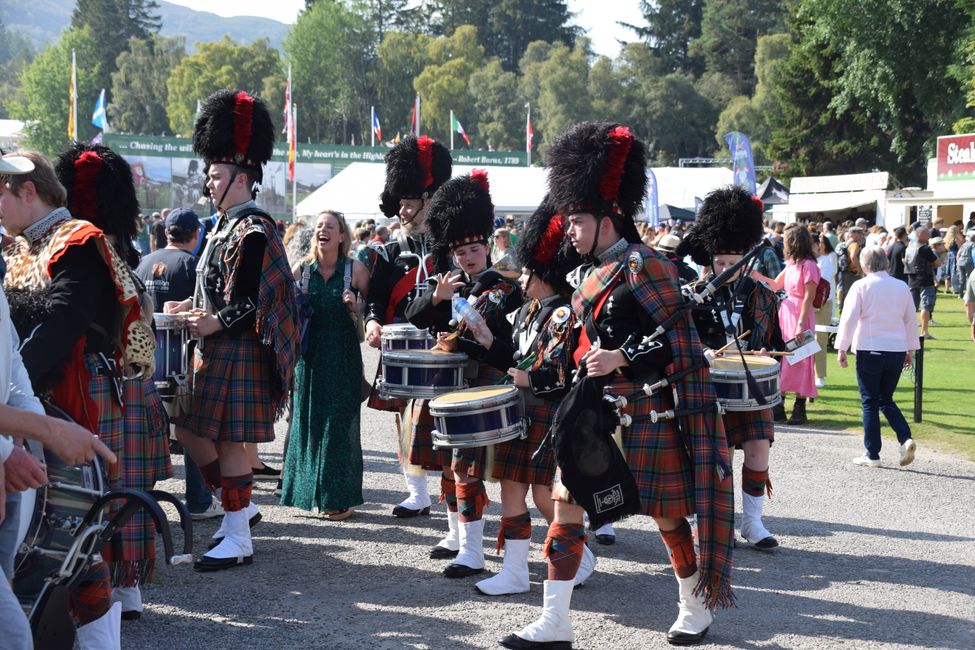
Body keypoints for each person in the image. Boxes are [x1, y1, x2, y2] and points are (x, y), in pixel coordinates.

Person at [501, 123, 734, 649]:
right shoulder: (588, 273)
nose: (571, 232)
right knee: (566, 508)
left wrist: (622, 356)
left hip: (646, 413)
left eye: (579, 222)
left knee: (668, 517)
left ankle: (694, 607)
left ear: (608, 221)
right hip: (593, 412)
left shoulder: (644, 264)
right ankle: (556, 621)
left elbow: (682, 345)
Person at [1, 149, 155, 646]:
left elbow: (62, 322)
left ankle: (99, 639)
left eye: (0, 194)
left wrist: (17, 392)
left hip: (73, 393)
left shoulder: (78, 240)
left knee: (80, 521)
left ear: (29, 190)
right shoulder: (23, 245)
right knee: (67, 528)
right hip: (34, 397)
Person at [165, 89, 299, 572]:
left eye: (216, 175)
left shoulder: (254, 229)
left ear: (241, 179)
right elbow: (222, 291)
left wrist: (213, 319)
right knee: (190, 430)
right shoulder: (224, 225)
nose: (208, 181)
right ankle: (239, 509)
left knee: (222, 441)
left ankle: (239, 533)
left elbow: (251, 303)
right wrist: (193, 306)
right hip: (216, 347)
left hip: (237, 348)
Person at [54, 142, 175, 621]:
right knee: (118, 480)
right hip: (118, 376)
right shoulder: (116, 249)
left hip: (102, 375)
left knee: (102, 482)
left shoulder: (81, 248)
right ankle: (122, 589)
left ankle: (110, 589)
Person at [467, 197, 595, 595]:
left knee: (543, 497)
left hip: (544, 411)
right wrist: (488, 342)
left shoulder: (561, 314)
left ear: (544, 274)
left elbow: (559, 375)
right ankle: (516, 572)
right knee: (510, 487)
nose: (520, 280)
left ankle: (581, 556)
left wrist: (529, 380)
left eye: (527, 272)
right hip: (521, 410)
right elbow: (517, 361)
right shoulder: (528, 310)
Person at [405, 170, 523, 579]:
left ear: (487, 246)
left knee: (479, 472)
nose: (467, 257)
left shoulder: (510, 290)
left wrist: (477, 340)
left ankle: (474, 550)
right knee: (452, 464)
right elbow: (412, 315)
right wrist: (436, 298)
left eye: (474, 248)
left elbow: (513, 351)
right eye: (460, 252)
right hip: (455, 387)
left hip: (491, 385)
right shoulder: (453, 287)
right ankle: (462, 540)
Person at [678, 186, 784, 550]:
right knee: (708, 455)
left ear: (746, 258)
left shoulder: (764, 296)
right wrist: (704, 351)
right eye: (720, 262)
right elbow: (681, 342)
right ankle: (703, 521)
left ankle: (753, 522)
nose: (726, 269)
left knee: (759, 447)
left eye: (733, 262)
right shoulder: (694, 295)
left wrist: (765, 349)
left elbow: (776, 346)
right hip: (706, 384)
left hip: (749, 385)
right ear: (711, 260)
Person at [361, 135, 451, 520]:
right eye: (399, 204)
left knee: (443, 419)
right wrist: (372, 322)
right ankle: (417, 493)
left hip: (441, 346)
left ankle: (452, 489)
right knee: (405, 420)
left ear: (427, 202)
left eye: (409, 204)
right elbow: (377, 302)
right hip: (400, 345)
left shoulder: (447, 249)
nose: (402, 211)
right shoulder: (390, 252)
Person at [134, 208, 222, 522]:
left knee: (146, 432)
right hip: (182, 360)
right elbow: (204, 307)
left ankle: (139, 501)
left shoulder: (144, 261)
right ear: (196, 235)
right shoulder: (192, 265)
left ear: (167, 232)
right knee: (191, 427)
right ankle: (199, 500)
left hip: (145, 360)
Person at [281, 210, 368, 519]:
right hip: (310, 359)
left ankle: (337, 498)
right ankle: (303, 493)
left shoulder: (355, 270)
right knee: (307, 422)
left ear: (342, 236)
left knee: (339, 426)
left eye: (330, 226)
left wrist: (356, 308)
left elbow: (369, 318)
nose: (323, 230)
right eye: (319, 226)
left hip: (344, 356)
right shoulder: (301, 270)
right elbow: (285, 315)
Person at [836, 246, 920, 467]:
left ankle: (872, 453)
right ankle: (905, 437)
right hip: (896, 349)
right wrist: (910, 349)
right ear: (886, 263)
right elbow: (910, 319)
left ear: (864, 265)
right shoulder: (901, 286)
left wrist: (842, 347)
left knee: (870, 402)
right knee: (885, 399)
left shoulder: (861, 286)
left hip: (870, 348)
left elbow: (849, 318)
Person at [751, 225, 821, 425]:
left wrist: (801, 324)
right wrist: (754, 275)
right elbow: (775, 284)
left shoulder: (809, 265)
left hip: (801, 315)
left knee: (801, 359)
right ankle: (779, 406)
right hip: (787, 313)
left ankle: (800, 407)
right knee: (784, 358)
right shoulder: (791, 264)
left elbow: (809, 296)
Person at [905, 226, 940, 340]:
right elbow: (937, 263)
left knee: (911, 307)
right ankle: (924, 332)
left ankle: (908, 332)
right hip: (925, 279)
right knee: (926, 305)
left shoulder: (909, 247)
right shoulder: (924, 248)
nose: (929, 235)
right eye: (927, 233)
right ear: (920, 235)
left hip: (912, 279)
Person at [812, 233, 836, 388]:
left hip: (821, 304)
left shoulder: (824, 262)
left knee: (819, 340)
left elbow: (823, 287)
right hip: (806, 304)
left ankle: (820, 376)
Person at [836, 226, 864, 312]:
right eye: (859, 233)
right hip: (851, 274)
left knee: (845, 295)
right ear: (853, 234)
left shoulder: (845, 243)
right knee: (851, 296)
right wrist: (860, 269)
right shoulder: (854, 244)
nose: (861, 235)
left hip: (844, 272)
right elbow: (853, 256)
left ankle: (842, 313)